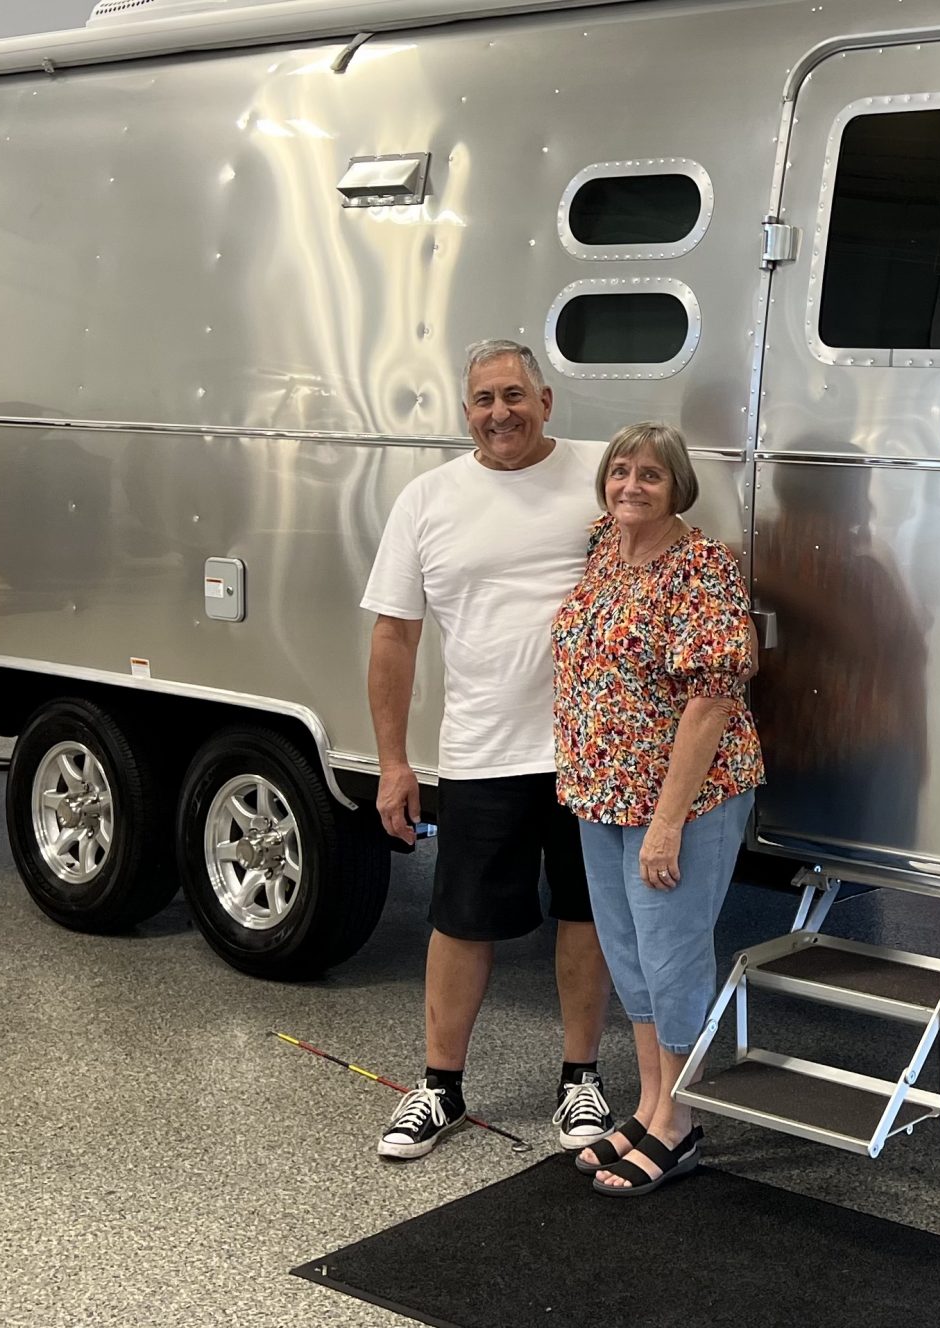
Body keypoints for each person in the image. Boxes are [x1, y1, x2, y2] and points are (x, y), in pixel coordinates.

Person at [362, 340, 616, 1160]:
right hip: (481, 751)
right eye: (483, 400)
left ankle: (581, 1077)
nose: (499, 413)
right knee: (461, 921)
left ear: (545, 400)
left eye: (513, 395)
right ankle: (439, 1087)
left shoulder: (602, 473)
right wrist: (393, 762)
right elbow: (395, 637)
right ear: (466, 411)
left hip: (593, 751)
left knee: (587, 914)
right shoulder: (428, 499)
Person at [551, 422, 764, 1196]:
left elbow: (712, 698)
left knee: (672, 958)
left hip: (681, 798)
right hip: (600, 792)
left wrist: (668, 823)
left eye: (650, 475)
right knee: (632, 958)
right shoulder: (603, 545)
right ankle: (649, 1105)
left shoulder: (700, 566)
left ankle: (680, 1123)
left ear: (678, 487)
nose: (631, 486)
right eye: (620, 471)